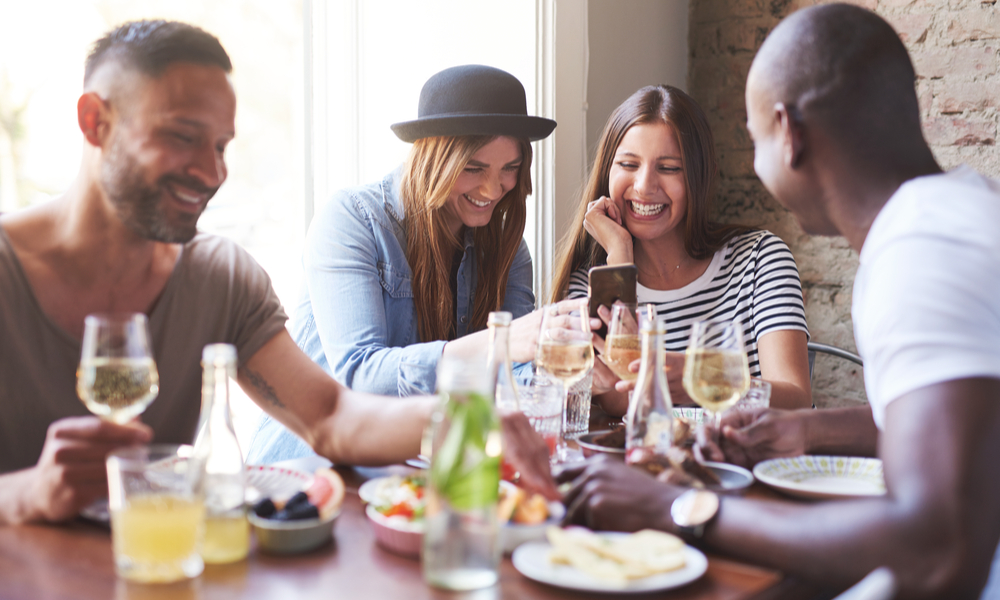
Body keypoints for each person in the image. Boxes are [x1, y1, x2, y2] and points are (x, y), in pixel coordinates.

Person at [0, 21, 555, 526]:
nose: (213, 171)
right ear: (95, 121)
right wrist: (24, 493)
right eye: (181, 136)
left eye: (221, 146)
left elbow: (332, 414)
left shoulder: (221, 277)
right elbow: (360, 375)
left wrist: (465, 419)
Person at [557, 4, 1000, 598]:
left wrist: (684, 506)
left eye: (753, 135)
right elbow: (963, 428)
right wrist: (806, 434)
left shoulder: (921, 253)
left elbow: (938, 548)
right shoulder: (962, 211)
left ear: (788, 133)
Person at [248, 65, 559, 464]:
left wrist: (563, 371)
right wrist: (500, 342)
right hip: (311, 470)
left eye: (510, 169)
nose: (491, 189)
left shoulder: (507, 248)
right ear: (434, 159)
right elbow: (358, 377)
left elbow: (512, 377)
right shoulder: (353, 219)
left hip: (428, 467)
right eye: (473, 168)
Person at [550, 85, 811, 416]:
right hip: (647, 465)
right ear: (607, 172)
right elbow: (619, 402)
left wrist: (696, 380)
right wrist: (619, 255)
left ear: (698, 177)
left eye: (669, 168)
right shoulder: (589, 285)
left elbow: (797, 398)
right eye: (629, 164)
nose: (644, 186)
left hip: (748, 464)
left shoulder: (760, 259)